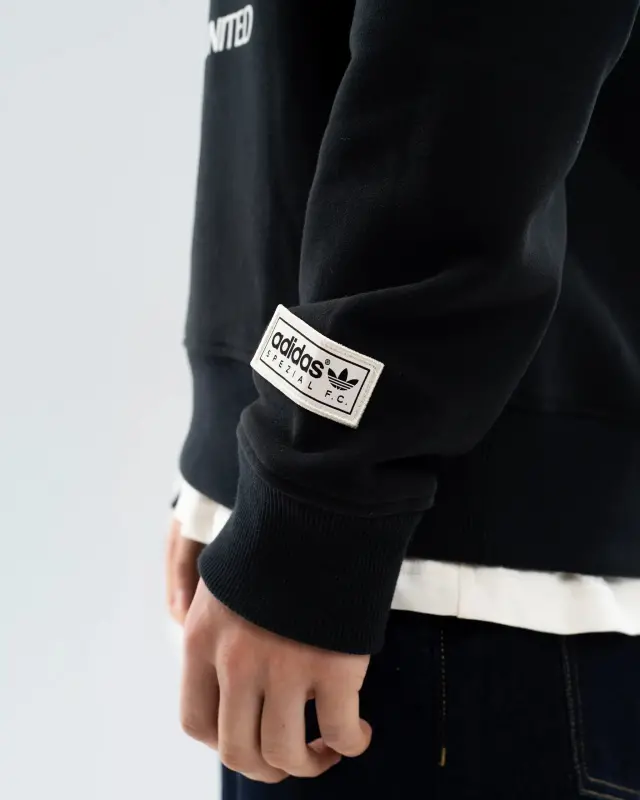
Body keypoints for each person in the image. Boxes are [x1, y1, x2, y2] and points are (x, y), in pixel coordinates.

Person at [167, 0, 640, 796]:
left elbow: (475, 46)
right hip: (375, 545)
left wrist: (312, 487)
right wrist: (231, 451)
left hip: (455, 578)